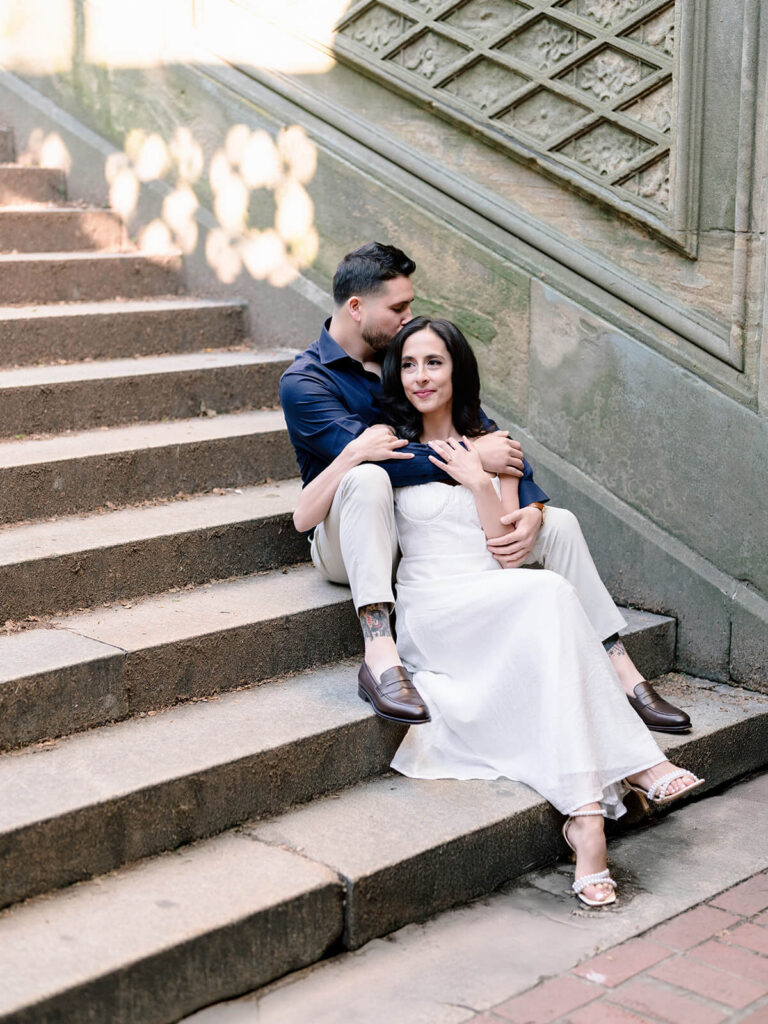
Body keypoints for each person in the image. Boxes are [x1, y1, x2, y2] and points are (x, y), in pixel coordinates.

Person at [292, 315, 704, 906]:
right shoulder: (386, 440)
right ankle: (637, 763)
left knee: (548, 596)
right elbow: (307, 516)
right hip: (434, 609)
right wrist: (377, 454)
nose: (420, 376)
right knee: (554, 597)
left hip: (490, 593)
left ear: (458, 369)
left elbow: (507, 557)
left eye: (434, 362)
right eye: (408, 364)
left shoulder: (496, 444)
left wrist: (480, 479)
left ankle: (586, 825)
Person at [279, 241, 691, 734]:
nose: (410, 317)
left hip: (419, 526)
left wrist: (532, 502)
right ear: (356, 307)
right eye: (399, 308)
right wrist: (477, 460)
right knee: (366, 476)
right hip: (350, 536)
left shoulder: (401, 360)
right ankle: (380, 653)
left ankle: (622, 672)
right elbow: (389, 462)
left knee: (559, 525)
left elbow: (487, 433)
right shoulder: (306, 382)